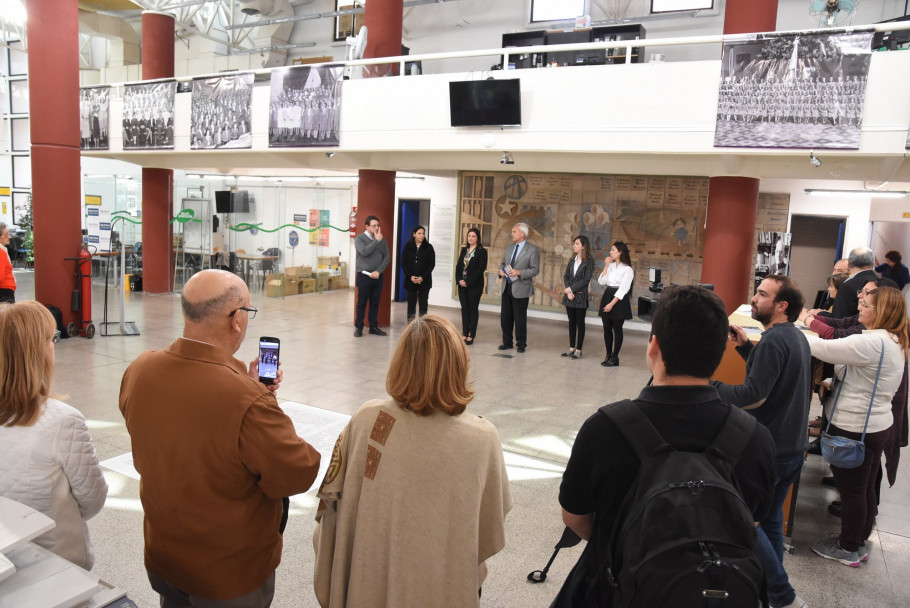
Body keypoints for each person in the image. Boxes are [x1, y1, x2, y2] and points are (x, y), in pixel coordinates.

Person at [557, 286, 776, 606]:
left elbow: (575, 516)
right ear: (719, 353)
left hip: (618, 589)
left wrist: (631, 545)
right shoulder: (756, 439)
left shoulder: (604, 429)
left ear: (653, 346)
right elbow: (749, 522)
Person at [119, 270, 321, 607]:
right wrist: (259, 395)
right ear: (237, 320)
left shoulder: (140, 369)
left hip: (165, 557)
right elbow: (298, 471)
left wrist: (247, 382)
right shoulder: (247, 400)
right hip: (227, 575)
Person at [313, 315, 513, 607]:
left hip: (367, 585)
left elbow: (332, 507)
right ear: (460, 365)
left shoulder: (369, 419)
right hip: (439, 586)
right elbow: (487, 529)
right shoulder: (482, 438)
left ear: (400, 363)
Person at [712, 275, 812, 608]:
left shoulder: (774, 341)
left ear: (782, 306)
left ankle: (783, 597)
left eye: (762, 295)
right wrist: (746, 349)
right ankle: (770, 590)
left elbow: (754, 396)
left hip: (772, 450)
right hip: (791, 448)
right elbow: (774, 377)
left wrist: (711, 388)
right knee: (769, 521)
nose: (754, 298)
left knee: (745, 520)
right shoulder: (790, 338)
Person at [0, 301, 108, 570]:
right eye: (53, 339)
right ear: (37, 352)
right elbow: (93, 499)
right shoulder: (64, 420)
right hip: (57, 557)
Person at [806, 286, 909, 567]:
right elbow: (856, 370)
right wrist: (830, 382)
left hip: (856, 427)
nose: (859, 307)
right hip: (877, 424)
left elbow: (823, 348)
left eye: (866, 305)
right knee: (864, 488)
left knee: (852, 491)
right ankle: (858, 539)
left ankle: (849, 547)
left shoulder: (873, 342)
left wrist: (797, 324)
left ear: (883, 312)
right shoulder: (891, 340)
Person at [498, 222, 540, 353]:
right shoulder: (509, 248)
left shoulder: (532, 250)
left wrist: (519, 272)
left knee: (519, 318)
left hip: (521, 288)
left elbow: (535, 270)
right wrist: (500, 271)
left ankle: (521, 344)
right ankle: (507, 342)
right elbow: (503, 263)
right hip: (507, 286)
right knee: (505, 317)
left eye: (514, 231)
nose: (512, 234)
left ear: (522, 233)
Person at [596, 241, 634, 367]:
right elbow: (601, 281)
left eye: (613, 250)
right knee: (606, 328)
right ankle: (608, 354)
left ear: (620, 252)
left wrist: (612, 304)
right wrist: (606, 266)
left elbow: (623, 289)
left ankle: (615, 357)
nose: (610, 252)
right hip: (608, 295)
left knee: (617, 329)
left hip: (618, 300)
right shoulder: (611, 266)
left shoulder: (628, 269)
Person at [354, 215, 390, 337]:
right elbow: (364, 251)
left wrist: (378, 272)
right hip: (364, 275)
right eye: (374, 225)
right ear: (367, 226)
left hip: (377, 276)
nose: (376, 228)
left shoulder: (382, 239)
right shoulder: (359, 238)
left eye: (377, 225)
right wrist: (376, 241)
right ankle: (359, 327)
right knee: (362, 302)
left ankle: (373, 327)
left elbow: (387, 257)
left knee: (375, 302)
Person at [819, 247, 878, 319]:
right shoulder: (887, 284)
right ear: (873, 263)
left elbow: (839, 320)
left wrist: (820, 314)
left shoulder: (847, 286)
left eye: (839, 271)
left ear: (849, 265)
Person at [561, 236, 594, 360]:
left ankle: (579, 350)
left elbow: (586, 279)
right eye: (574, 244)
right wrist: (569, 291)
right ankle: (571, 348)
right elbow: (566, 276)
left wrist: (571, 289)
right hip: (570, 296)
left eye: (576, 244)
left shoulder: (589, 261)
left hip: (580, 296)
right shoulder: (572, 260)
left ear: (583, 246)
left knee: (580, 323)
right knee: (571, 323)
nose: (574, 246)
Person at [455, 227, 487, 345]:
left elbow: (480, 269)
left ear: (477, 238)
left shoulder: (482, 251)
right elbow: (458, 266)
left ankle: (471, 334)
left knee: (473, 309)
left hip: (474, 285)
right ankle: (464, 332)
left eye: (473, 236)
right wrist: (459, 280)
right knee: (464, 309)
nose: (470, 238)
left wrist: (468, 281)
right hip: (462, 285)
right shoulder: (464, 250)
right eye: (469, 236)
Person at [400, 225, 435, 321]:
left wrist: (422, 277)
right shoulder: (407, 247)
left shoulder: (429, 247)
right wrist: (410, 276)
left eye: (423, 233)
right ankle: (410, 327)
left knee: (423, 305)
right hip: (410, 280)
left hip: (425, 281)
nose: (421, 236)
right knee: (411, 305)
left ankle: (423, 327)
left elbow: (432, 265)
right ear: (414, 234)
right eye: (419, 233)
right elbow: (404, 264)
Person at [0, 223, 15, 303]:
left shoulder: (3, 251)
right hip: (4, 292)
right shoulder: (1, 253)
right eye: (6, 235)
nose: (9, 237)